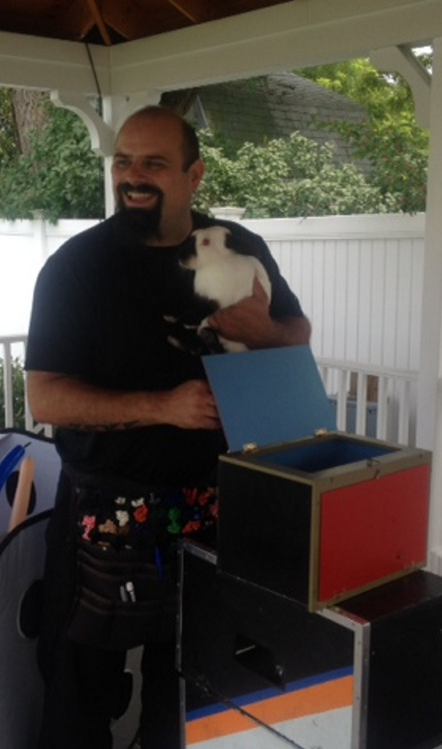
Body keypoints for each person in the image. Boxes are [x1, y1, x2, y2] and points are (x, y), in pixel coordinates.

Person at [25, 105, 310, 749]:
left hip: (214, 506)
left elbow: (297, 337)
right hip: (105, 508)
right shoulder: (77, 269)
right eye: (123, 161)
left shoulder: (237, 249)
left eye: (153, 163)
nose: (133, 176)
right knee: (78, 689)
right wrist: (164, 407)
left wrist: (264, 332)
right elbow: (45, 397)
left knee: (188, 686)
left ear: (194, 175)